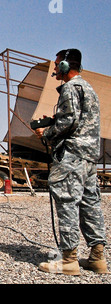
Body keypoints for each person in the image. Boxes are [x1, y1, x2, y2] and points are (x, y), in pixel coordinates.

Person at [35, 49, 108, 275]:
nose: (55, 69)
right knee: (90, 203)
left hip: (72, 155)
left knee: (67, 202)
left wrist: (46, 132)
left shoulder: (70, 87)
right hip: (88, 156)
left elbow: (69, 120)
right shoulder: (88, 88)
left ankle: (69, 261)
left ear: (66, 66)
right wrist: (54, 119)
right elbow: (77, 118)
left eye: (57, 65)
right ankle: (97, 258)